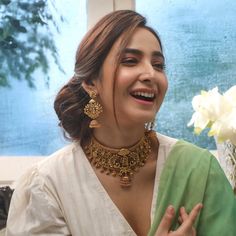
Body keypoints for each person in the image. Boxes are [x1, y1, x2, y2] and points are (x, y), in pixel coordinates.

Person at [6, 10, 236, 236]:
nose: (150, 74)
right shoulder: (47, 185)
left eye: (158, 65)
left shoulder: (200, 170)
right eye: (130, 61)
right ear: (90, 81)